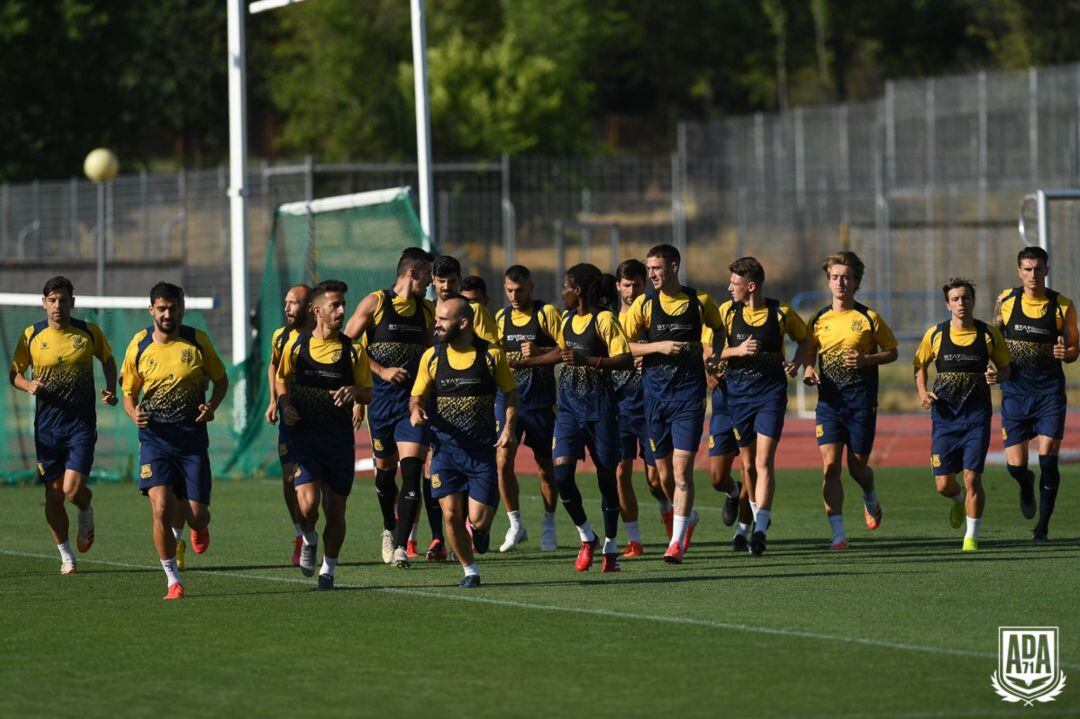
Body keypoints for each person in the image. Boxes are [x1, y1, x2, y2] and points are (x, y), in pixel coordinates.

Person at [121, 282, 228, 599]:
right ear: (151, 309)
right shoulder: (139, 345)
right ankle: (172, 579)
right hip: (155, 440)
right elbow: (129, 394)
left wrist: (212, 407)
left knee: (196, 514)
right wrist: (132, 413)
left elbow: (221, 380)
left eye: (174, 307)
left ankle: (197, 524)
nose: (168, 314)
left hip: (191, 441)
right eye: (162, 308)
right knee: (161, 509)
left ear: (182, 307)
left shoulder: (196, 341)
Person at [620, 244, 725, 564]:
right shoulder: (644, 304)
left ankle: (676, 542)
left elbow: (718, 330)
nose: (651, 274)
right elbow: (627, 346)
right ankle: (688, 517)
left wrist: (714, 356)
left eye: (657, 268)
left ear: (675, 266)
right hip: (654, 399)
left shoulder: (700, 301)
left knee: (681, 473)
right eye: (649, 269)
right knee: (663, 478)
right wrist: (659, 347)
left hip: (689, 398)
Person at [9, 276, 117, 575]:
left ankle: (85, 508)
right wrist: (27, 384)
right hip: (46, 429)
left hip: (80, 425)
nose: (58, 305)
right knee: (53, 495)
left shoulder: (87, 332)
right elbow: (14, 373)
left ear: (73, 302)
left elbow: (107, 359)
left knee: (71, 490)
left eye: (63, 299)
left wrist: (111, 388)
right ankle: (66, 555)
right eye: (52, 300)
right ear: (44, 303)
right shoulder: (31, 334)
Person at [409, 297, 518, 588]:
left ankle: (481, 533)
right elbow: (416, 395)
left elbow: (510, 393)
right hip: (445, 451)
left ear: (464, 323)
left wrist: (508, 426)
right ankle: (470, 570)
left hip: (482, 453)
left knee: (478, 521)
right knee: (451, 515)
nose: (438, 324)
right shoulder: (432, 356)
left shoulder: (491, 355)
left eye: (444, 320)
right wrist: (416, 408)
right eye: (438, 319)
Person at [343, 247, 438, 566]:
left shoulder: (427, 310)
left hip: (412, 406)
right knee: (385, 476)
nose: (430, 281)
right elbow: (347, 343)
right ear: (412, 273)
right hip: (380, 404)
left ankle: (400, 545)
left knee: (411, 473)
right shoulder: (377, 303)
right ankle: (388, 527)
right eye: (427, 275)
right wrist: (381, 371)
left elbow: (430, 354)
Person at [799, 252, 898, 550]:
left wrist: (867, 359)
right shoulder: (818, 319)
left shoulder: (868, 318)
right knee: (830, 467)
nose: (840, 282)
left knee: (857, 469)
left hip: (860, 403)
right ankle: (838, 534)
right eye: (835, 277)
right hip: (829, 404)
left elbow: (893, 352)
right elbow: (808, 351)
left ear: (856, 282)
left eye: (846, 277)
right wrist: (809, 368)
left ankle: (870, 496)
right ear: (828, 281)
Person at [278, 279, 372, 589]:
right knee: (306, 506)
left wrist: (353, 392)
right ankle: (307, 537)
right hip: (305, 439)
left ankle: (328, 569)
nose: (342, 310)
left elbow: (368, 394)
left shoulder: (353, 350)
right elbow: (282, 379)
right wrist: (284, 403)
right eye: (335, 305)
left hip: (339, 441)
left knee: (335, 509)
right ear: (317, 310)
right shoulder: (297, 345)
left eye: (344, 304)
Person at [914, 278, 1011, 551]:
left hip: (976, 418)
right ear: (947, 304)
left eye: (966, 298)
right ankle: (957, 501)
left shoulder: (989, 334)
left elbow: (1007, 369)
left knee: (972, 478)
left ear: (973, 301)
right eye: (955, 299)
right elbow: (919, 366)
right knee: (944, 484)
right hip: (944, 418)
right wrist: (922, 392)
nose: (961, 303)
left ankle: (971, 537)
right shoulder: (935, 334)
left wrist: (997, 375)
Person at [718, 257, 806, 556]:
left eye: (735, 283)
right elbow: (710, 350)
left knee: (764, 460)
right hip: (738, 397)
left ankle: (760, 529)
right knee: (747, 464)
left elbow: (807, 339)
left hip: (770, 395)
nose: (730, 288)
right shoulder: (726, 312)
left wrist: (799, 362)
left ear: (751, 286)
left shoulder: (780, 312)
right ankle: (750, 523)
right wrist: (736, 350)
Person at [995, 246, 1079, 542]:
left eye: (1038, 268)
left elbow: (1073, 349)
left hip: (1048, 394)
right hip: (1015, 393)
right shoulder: (1005, 301)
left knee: (1048, 460)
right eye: (1027, 269)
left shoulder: (1062, 306)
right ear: (1019, 271)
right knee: (1016, 467)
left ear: (1047, 270)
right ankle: (1025, 483)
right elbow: (994, 340)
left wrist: (1065, 352)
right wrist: (993, 368)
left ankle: (1042, 526)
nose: (1033, 274)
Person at [553, 264, 633, 572]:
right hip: (569, 409)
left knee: (605, 479)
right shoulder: (567, 319)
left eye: (566, 287)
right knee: (562, 476)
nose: (563, 292)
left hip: (601, 409)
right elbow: (561, 353)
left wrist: (591, 361)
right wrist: (527, 361)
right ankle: (587, 536)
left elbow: (625, 359)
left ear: (581, 290)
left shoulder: (604, 319)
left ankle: (611, 547)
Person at [494, 265, 562, 552]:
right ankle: (515, 524)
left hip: (541, 404)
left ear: (531, 287)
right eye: (509, 290)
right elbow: (494, 354)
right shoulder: (500, 317)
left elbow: (565, 351)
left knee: (545, 469)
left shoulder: (546, 314)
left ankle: (549, 523)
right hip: (508, 402)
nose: (514, 296)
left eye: (519, 290)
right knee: (502, 460)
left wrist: (537, 355)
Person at [611, 260, 668, 557]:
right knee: (621, 474)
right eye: (626, 285)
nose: (631, 291)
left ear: (644, 285)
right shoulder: (608, 319)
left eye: (636, 285)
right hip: (619, 407)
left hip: (649, 405)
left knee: (655, 478)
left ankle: (670, 512)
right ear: (618, 287)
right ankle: (634, 540)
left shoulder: (652, 314)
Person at [264, 284, 314, 566]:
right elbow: (274, 366)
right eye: (285, 302)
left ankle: (319, 537)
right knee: (288, 477)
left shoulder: (322, 336)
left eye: (293, 303)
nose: (286, 307)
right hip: (291, 420)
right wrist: (275, 401)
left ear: (308, 307)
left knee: (321, 488)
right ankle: (300, 535)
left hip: (321, 421)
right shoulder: (280, 336)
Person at [702, 323, 751, 547]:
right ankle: (733, 492)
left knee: (750, 468)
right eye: (730, 284)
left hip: (752, 404)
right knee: (717, 478)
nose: (731, 288)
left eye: (735, 284)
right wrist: (708, 371)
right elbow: (705, 353)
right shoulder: (716, 318)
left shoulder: (763, 317)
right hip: (723, 406)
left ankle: (742, 532)